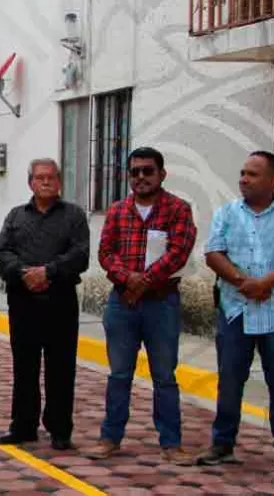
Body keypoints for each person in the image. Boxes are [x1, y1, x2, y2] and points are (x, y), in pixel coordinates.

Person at [197, 152, 274, 475]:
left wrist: (265, 283)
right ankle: (222, 444)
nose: (244, 179)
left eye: (252, 174)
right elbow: (213, 252)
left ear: (273, 180)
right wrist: (241, 282)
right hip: (235, 310)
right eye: (242, 173)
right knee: (230, 381)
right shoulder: (227, 213)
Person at [87, 146, 197, 465]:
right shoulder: (118, 210)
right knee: (119, 374)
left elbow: (178, 252)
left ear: (161, 174)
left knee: (164, 376)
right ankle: (110, 438)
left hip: (161, 304)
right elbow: (106, 253)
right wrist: (129, 280)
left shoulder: (178, 209)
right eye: (135, 171)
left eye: (148, 171)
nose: (141, 177)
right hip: (122, 303)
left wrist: (144, 281)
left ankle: (171, 444)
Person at [0, 158, 89, 450]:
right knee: (25, 366)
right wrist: (24, 274)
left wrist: (48, 271)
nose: (46, 182)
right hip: (23, 301)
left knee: (61, 367)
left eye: (51, 177)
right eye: (39, 177)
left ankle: (60, 429)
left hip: (60, 301)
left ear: (59, 182)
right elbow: (2, 250)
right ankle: (23, 426)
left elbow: (80, 254)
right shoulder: (15, 216)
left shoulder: (73, 215)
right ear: (30, 183)